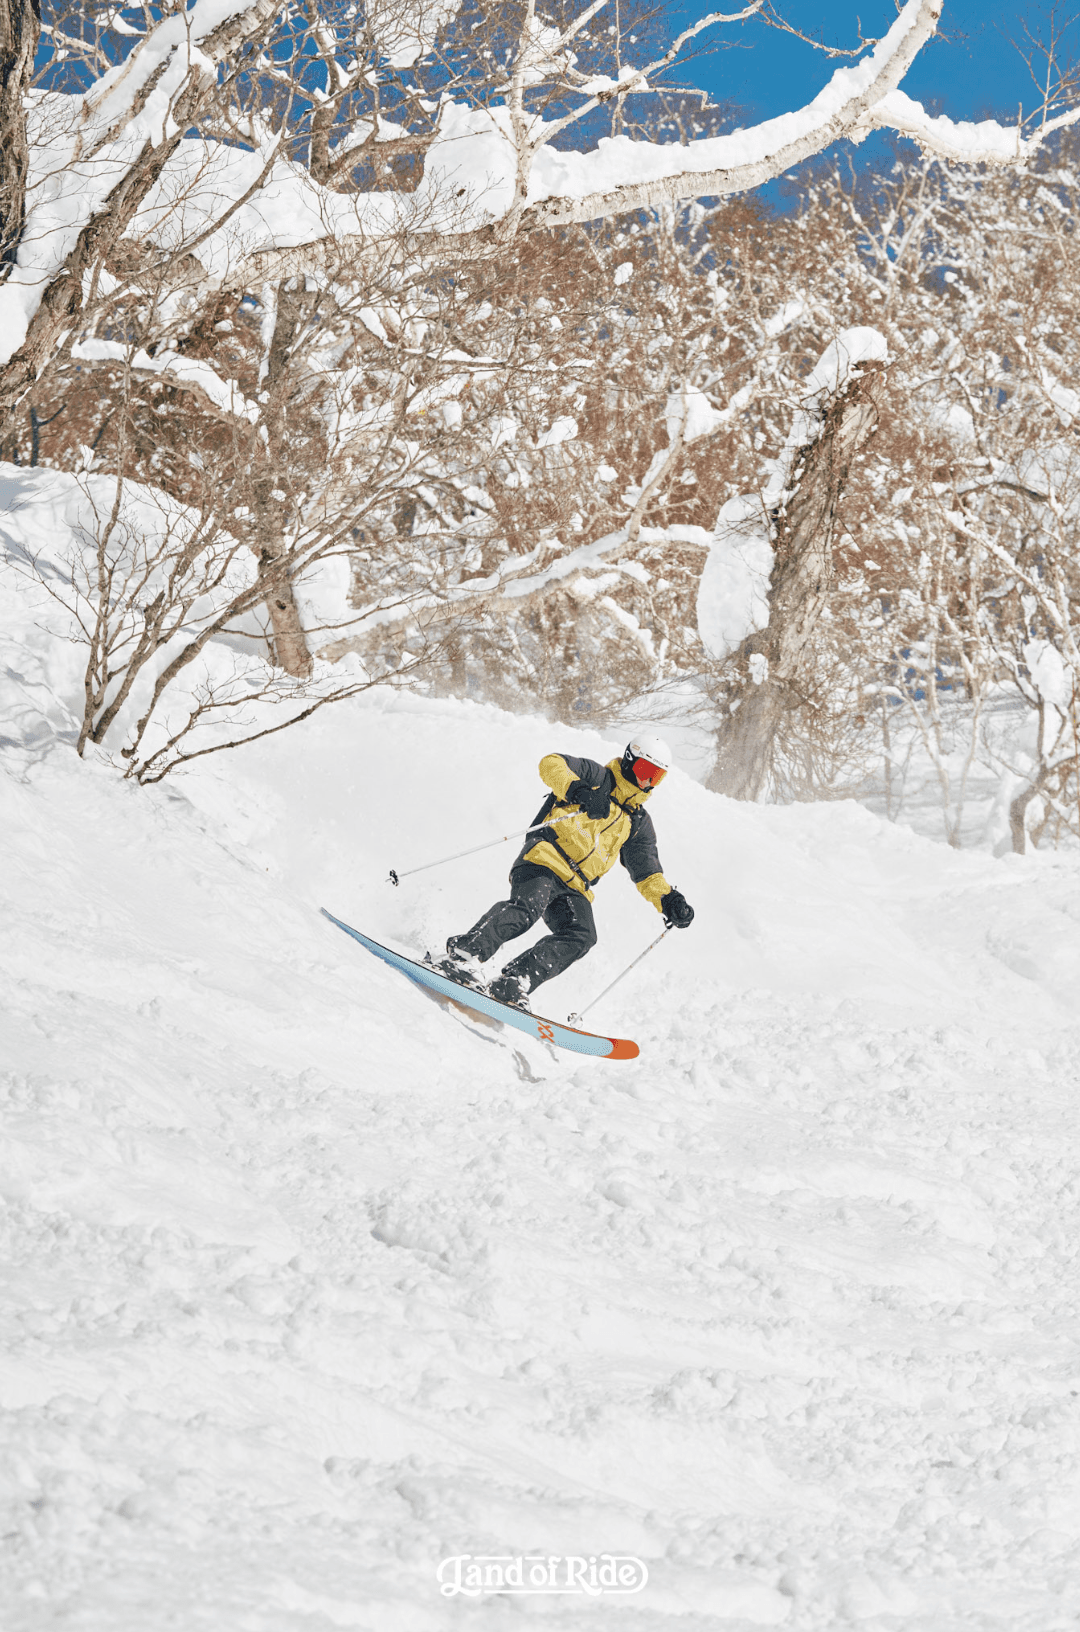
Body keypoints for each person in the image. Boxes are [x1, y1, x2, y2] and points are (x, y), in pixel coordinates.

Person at [440, 734, 694, 1010]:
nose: (647, 782)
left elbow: (647, 871)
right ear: (630, 761)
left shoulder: (638, 822)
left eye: (656, 777)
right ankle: (466, 954)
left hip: (577, 885)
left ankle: (515, 980)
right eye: (645, 771)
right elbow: (550, 764)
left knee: (581, 935)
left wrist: (668, 899)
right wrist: (579, 791)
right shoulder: (598, 777)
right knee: (528, 908)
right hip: (544, 857)